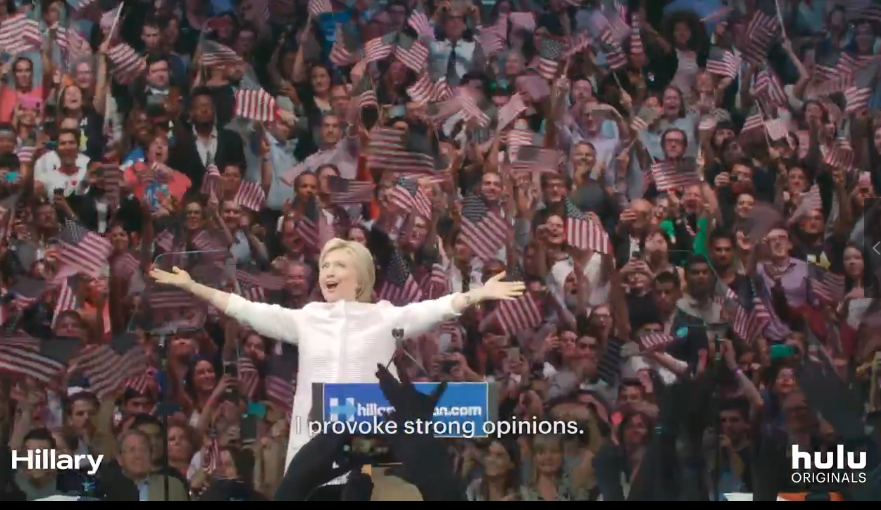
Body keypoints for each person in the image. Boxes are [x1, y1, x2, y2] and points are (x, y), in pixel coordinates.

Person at [150, 237, 525, 470]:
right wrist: (194, 286)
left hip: (371, 448)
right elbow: (246, 309)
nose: (328, 271)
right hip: (313, 448)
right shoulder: (306, 318)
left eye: (339, 265)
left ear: (360, 277)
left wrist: (477, 294)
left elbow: (433, 309)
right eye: (325, 265)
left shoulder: (385, 316)